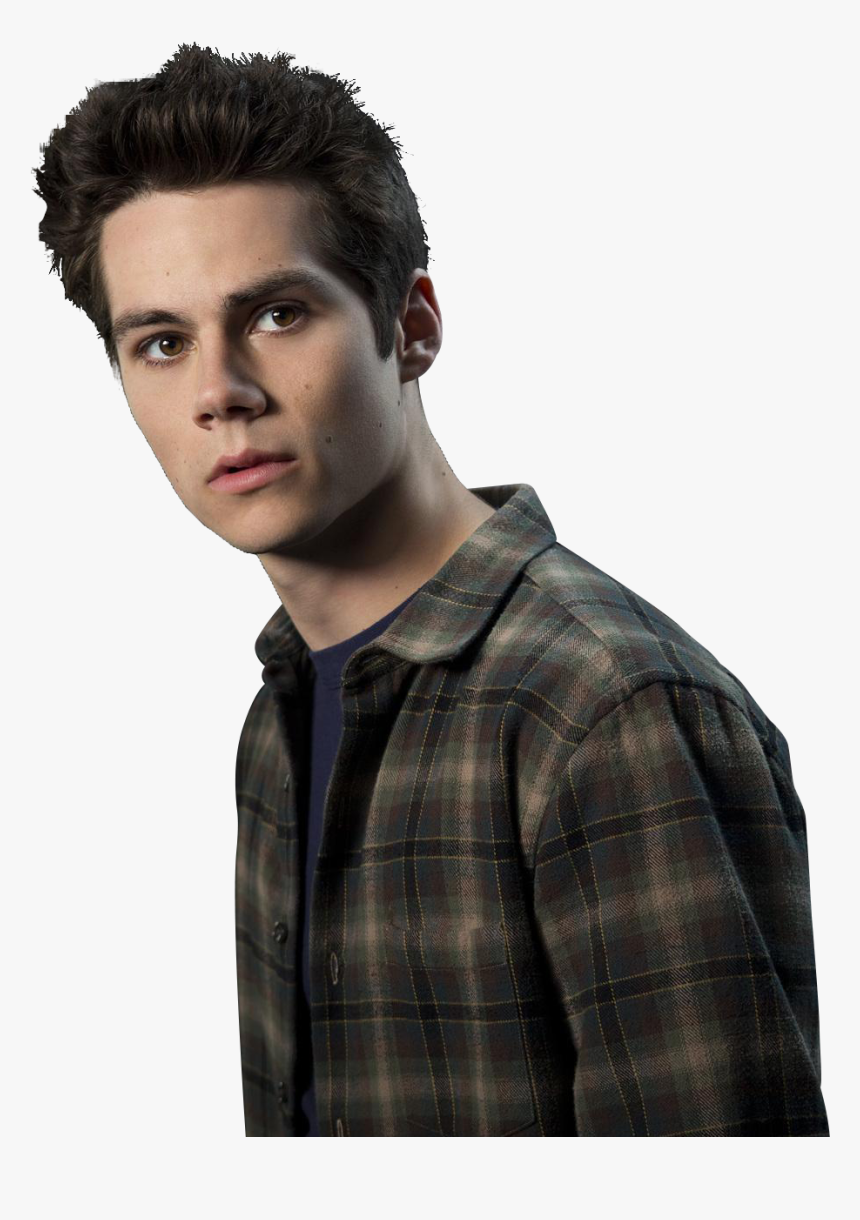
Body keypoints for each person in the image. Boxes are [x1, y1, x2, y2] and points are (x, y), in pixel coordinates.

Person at [33, 43, 829, 1138]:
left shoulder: (608, 710)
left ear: (410, 327)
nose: (220, 392)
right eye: (162, 342)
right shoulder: (279, 716)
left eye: (276, 315)